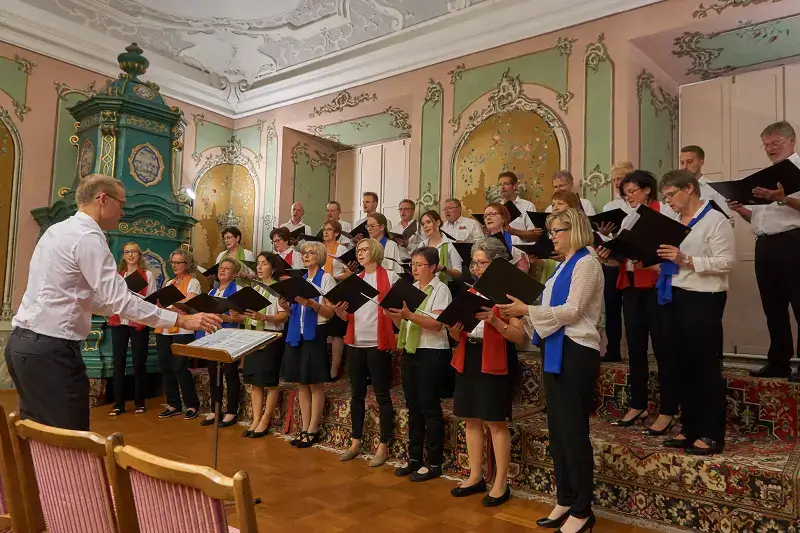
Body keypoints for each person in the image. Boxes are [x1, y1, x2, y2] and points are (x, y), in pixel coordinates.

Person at [7, 174, 221, 431]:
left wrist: (150, 307)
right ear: (103, 199)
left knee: (38, 433)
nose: (123, 210)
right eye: (121, 203)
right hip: (52, 349)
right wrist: (181, 318)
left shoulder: (57, 230)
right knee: (69, 438)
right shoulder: (87, 237)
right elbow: (119, 300)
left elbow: (91, 300)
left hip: (23, 345)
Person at [500, 208, 602, 533]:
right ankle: (566, 498)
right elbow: (544, 313)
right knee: (558, 430)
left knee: (573, 432)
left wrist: (527, 309)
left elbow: (571, 312)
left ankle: (583, 510)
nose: (552, 236)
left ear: (575, 230)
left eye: (557, 230)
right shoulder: (559, 270)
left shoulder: (587, 263)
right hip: (556, 350)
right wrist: (518, 314)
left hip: (576, 352)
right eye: (552, 231)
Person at [658, 170, 734, 455]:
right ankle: (690, 427)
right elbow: (669, 261)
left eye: (671, 195)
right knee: (680, 366)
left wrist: (686, 259)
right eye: (665, 197)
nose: (669, 201)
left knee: (704, 366)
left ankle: (712, 432)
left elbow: (727, 261)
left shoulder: (715, 219)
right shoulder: (674, 222)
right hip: (674, 294)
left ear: (689, 189)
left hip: (704, 298)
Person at [446, 237, 525, 507]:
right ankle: (476, 475)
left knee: (495, 421)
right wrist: (455, 331)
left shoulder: (509, 294)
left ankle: (501, 482)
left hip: (497, 358)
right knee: (470, 419)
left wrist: (496, 321)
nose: (477, 268)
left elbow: (520, 337)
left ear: (497, 264)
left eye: (483, 263)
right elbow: (460, 336)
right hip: (470, 356)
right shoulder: (470, 292)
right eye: (475, 263)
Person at [597, 170, 676, 435]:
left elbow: (670, 250)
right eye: (624, 193)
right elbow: (624, 254)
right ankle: (638, 403)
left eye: (631, 191)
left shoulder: (663, 212)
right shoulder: (629, 217)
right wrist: (609, 250)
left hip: (654, 286)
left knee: (664, 348)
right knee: (635, 347)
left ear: (647, 190)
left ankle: (668, 410)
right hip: (630, 285)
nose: (627, 196)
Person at [727, 121, 800, 380]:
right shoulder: (764, 176)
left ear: (791, 140)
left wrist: (782, 198)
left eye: (775, 143)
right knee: (773, 307)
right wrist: (741, 209)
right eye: (766, 144)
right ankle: (778, 362)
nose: (769, 148)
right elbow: (758, 220)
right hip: (765, 245)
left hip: (794, 242)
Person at [386, 247, 452, 482]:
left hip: (432, 351)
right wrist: (391, 313)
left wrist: (408, 315)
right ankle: (413, 457)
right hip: (411, 350)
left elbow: (436, 325)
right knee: (413, 406)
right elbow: (401, 322)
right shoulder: (411, 289)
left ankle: (433, 462)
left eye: (419, 264)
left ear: (433, 267)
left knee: (429, 406)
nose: (414, 268)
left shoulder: (441, 290)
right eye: (412, 264)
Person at [334, 238, 399, 467]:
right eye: (358, 250)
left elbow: (396, 309)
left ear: (375, 251)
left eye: (364, 249)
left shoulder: (390, 277)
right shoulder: (355, 280)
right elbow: (347, 316)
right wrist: (340, 312)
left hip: (377, 343)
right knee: (356, 394)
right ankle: (355, 441)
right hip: (356, 343)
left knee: (381, 394)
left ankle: (383, 444)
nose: (360, 253)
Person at [280, 241, 336, 448]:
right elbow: (294, 312)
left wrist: (312, 303)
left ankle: (313, 428)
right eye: (304, 253)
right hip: (298, 334)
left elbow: (330, 312)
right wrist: (286, 307)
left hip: (315, 333)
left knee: (315, 383)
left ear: (320, 256)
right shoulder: (300, 280)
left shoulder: (326, 278)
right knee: (302, 383)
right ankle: (304, 427)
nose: (307, 255)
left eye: (311, 252)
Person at [240, 252, 288, 438]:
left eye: (264, 264)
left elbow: (284, 315)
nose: (259, 267)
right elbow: (250, 314)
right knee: (254, 383)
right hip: (253, 336)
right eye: (258, 264)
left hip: (271, 337)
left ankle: (265, 419)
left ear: (273, 267)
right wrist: (240, 316)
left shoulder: (278, 289)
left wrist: (265, 317)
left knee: (269, 382)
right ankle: (255, 419)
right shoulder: (254, 288)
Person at [154, 249, 205, 421]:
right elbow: (164, 306)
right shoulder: (169, 283)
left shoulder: (193, 282)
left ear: (187, 264)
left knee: (180, 367)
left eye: (178, 262)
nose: (175, 265)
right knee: (166, 366)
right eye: (173, 262)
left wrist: (171, 304)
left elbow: (188, 304)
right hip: (165, 328)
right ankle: (173, 404)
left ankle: (192, 404)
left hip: (184, 330)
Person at [108, 242, 157, 417]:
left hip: (138, 321)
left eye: (134, 252)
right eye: (127, 252)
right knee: (118, 362)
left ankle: (139, 402)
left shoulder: (148, 275)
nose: (130, 255)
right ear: (123, 256)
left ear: (139, 254)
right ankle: (118, 404)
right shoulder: (118, 276)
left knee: (138, 362)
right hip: (119, 320)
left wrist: (135, 296)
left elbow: (151, 298)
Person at [198, 258, 243, 428]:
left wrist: (227, 318)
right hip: (212, 336)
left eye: (227, 268)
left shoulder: (237, 290)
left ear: (234, 273)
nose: (222, 271)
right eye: (221, 268)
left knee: (230, 374)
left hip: (230, 337)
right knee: (213, 373)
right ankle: (214, 409)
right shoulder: (212, 292)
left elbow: (240, 317)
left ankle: (231, 411)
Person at [600, 162, 634, 363]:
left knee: (631, 310)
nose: (616, 183)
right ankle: (613, 349)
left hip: (631, 263)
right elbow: (607, 239)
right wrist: (606, 233)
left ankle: (634, 350)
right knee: (611, 308)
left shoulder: (635, 206)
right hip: (612, 262)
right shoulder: (609, 206)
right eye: (613, 179)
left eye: (620, 179)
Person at [321, 220, 349, 380]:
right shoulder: (319, 248)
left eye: (329, 229)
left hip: (336, 291)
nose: (326, 232)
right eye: (324, 229)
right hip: (320, 291)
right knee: (323, 330)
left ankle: (334, 369)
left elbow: (349, 272)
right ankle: (322, 366)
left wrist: (334, 277)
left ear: (337, 233)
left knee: (337, 332)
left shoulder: (342, 249)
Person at [679, 145, 734, 219]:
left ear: (701, 163)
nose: (684, 167)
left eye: (689, 162)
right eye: (682, 163)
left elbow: (728, 220)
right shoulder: (677, 190)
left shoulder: (715, 189)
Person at [482, 202, 530, 272]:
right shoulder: (482, 243)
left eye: (492, 214)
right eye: (485, 216)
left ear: (503, 218)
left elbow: (523, 267)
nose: (488, 218)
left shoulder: (514, 240)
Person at [418, 210, 462, 282]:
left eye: (428, 222)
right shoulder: (422, 245)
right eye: (423, 224)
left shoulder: (451, 244)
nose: (425, 226)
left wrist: (443, 269)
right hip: (425, 285)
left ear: (438, 223)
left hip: (447, 286)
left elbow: (458, 273)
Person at [498, 171, 540, 241]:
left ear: (515, 186)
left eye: (505, 184)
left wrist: (513, 231)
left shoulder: (528, 206)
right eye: (499, 185)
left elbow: (534, 235)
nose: (502, 187)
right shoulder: (497, 208)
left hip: (520, 250)